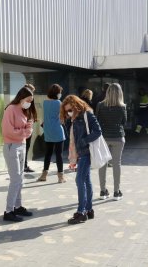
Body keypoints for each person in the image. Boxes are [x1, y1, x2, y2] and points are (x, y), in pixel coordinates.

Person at [61, 95, 102, 225]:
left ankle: (81, 212)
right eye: (67, 110)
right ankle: (89, 210)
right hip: (81, 152)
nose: (69, 112)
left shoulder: (87, 114)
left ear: (76, 106)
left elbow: (98, 131)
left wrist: (84, 141)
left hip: (86, 152)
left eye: (70, 109)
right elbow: (73, 136)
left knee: (79, 180)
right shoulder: (74, 118)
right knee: (86, 180)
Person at [1, 86, 37, 222]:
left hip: (21, 145)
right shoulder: (10, 109)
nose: (29, 103)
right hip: (12, 147)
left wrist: (22, 131)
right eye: (28, 100)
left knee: (20, 179)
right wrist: (23, 132)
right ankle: (8, 210)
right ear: (21, 98)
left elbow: (30, 129)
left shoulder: (24, 110)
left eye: (31, 101)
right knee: (15, 179)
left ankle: (17, 206)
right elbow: (8, 131)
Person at [95, 83, 127, 201]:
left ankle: (103, 191)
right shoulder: (122, 107)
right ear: (120, 93)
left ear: (107, 92)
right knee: (116, 164)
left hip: (104, 138)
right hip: (118, 137)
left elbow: (97, 121)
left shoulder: (100, 105)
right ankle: (116, 192)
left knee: (103, 163)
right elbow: (124, 122)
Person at [37, 83, 66, 183]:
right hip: (57, 131)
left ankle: (44, 175)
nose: (60, 94)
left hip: (48, 131)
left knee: (48, 154)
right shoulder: (59, 103)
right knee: (59, 155)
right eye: (60, 92)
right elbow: (62, 119)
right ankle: (60, 177)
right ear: (57, 93)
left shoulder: (45, 103)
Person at [24, 83, 37, 173]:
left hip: (29, 127)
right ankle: (24, 165)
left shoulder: (30, 101)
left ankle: (24, 164)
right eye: (31, 91)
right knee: (24, 146)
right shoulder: (23, 102)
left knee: (27, 146)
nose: (32, 94)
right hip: (24, 128)